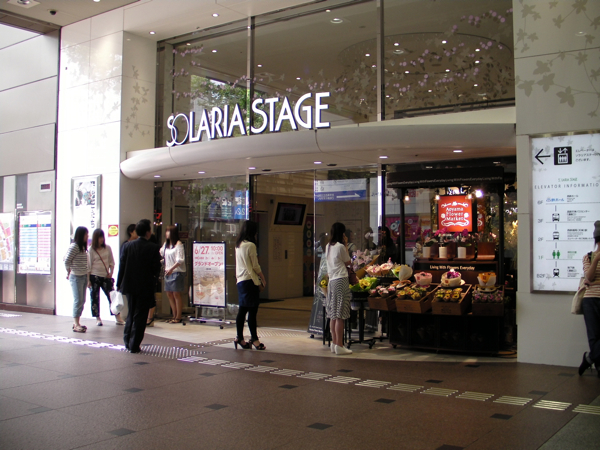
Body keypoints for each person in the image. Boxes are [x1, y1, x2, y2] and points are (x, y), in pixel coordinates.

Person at [116, 219, 161, 353]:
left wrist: (119, 283)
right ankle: (134, 344)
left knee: (131, 312)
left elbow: (122, 266)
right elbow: (156, 268)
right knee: (140, 315)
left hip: (129, 285)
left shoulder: (127, 246)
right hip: (145, 286)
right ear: (148, 232)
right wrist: (154, 281)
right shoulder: (153, 248)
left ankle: (127, 340)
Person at [234, 220, 267, 350]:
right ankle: (254, 339)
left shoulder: (238, 245)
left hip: (240, 281)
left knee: (242, 310)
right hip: (250, 281)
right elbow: (255, 266)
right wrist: (262, 278)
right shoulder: (250, 245)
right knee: (252, 311)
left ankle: (239, 337)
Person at [325, 222, 352, 355]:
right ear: (342, 233)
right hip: (341, 280)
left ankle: (334, 343)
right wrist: (346, 244)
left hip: (331, 282)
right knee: (340, 315)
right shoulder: (340, 247)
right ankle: (339, 345)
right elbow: (348, 262)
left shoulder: (328, 246)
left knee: (333, 315)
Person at [87, 229, 123, 325]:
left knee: (112, 296)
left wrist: (111, 272)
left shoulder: (107, 248)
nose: (101, 239)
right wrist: (88, 280)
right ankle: (98, 318)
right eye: (99, 237)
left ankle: (117, 316)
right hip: (94, 276)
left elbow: (111, 261)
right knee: (95, 297)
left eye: (102, 237)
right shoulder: (91, 250)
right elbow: (88, 266)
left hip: (106, 276)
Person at [579, 220, 600, 378]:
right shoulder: (588, 257)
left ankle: (589, 358)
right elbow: (589, 277)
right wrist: (597, 259)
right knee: (594, 336)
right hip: (590, 300)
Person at [65, 226, 89, 333]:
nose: (87, 236)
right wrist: (68, 270)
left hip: (83, 276)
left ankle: (77, 322)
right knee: (78, 300)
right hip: (76, 277)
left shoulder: (83, 247)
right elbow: (67, 260)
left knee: (82, 300)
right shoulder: (74, 246)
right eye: (85, 234)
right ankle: (76, 324)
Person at [160, 225, 186, 324]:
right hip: (168, 271)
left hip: (177, 271)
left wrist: (171, 268)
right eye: (166, 231)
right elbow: (161, 253)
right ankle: (174, 315)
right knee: (169, 294)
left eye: (169, 231)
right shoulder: (166, 244)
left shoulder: (178, 244)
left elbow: (180, 260)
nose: (167, 233)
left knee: (176, 293)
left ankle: (178, 317)